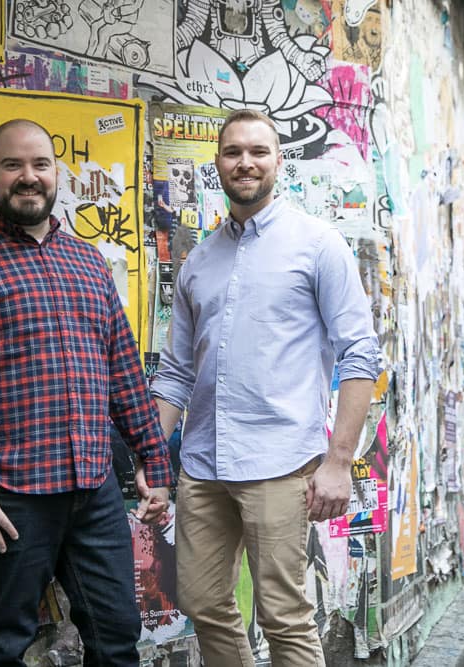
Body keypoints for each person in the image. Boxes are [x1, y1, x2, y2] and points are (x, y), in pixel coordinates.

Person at [0, 119, 174, 667]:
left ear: (56, 175)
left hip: (93, 490)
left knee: (118, 638)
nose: (29, 177)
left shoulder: (90, 263)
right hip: (8, 496)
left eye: (40, 165)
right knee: (4, 644)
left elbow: (122, 370)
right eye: (13, 165)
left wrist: (154, 462)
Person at [151, 109, 382, 666]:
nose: (245, 162)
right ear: (218, 165)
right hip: (203, 467)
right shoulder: (197, 262)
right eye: (233, 152)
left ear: (279, 160)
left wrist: (338, 462)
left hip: (281, 464)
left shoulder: (318, 245)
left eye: (258, 151)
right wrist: (152, 458)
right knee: (202, 602)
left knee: (284, 616)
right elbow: (177, 372)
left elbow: (360, 353)